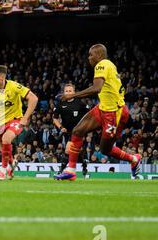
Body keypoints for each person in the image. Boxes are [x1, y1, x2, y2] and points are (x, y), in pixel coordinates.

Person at [54, 44, 141, 181]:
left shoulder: (101, 65)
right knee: (77, 131)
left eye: (90, 54)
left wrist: (73, 95)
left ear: (99, 55)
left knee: (105, 150)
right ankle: (70, 171)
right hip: (104, 108)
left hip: (114, 113)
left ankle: (133, 159)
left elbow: (96, 88)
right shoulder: (109, 65)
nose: (89, 58)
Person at [0, 65, 38, 180]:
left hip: (15, 119)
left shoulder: (14, 86)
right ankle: (11, 164)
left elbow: (33, 98)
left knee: (6, 139)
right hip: (0, 122)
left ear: (2, 77)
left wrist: (25, 118)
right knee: (4, 150)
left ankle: (3, 170)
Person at [53, 83, 90, 173]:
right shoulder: (60, 103)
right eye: (66, 91)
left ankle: (61, 170)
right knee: (75, 150)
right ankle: (84, 163)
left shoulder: (80, 103)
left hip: (78, 131)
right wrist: (61, 127)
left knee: (68, 149)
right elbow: (55, 118)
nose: (68, 93)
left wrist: (88, 131)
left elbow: (89, 116)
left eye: (70, 91)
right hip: (66, 131)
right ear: (64, 92)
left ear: (74, 92)